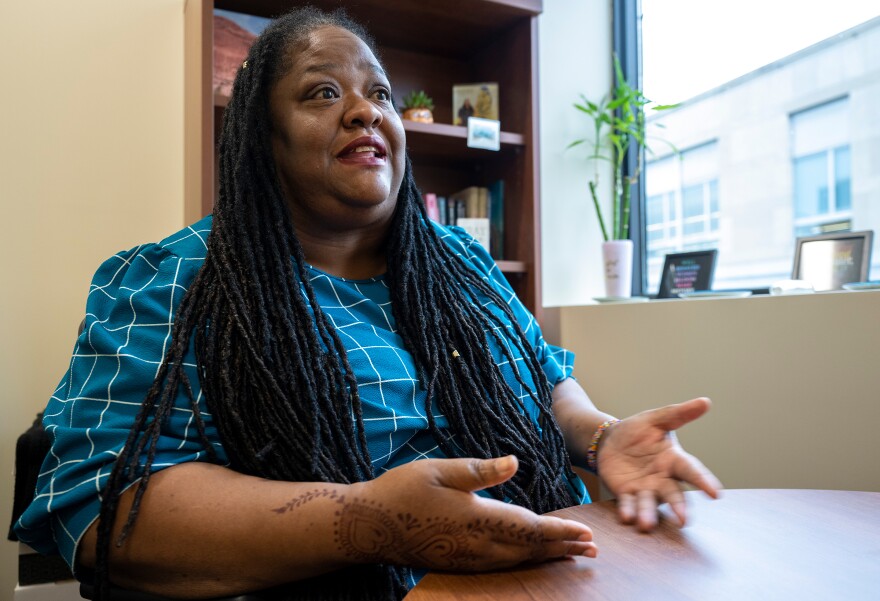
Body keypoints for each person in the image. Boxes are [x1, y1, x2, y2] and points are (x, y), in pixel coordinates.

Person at [15, 7, 721, 601]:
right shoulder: (172, 277)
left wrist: (600, 435)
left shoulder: (461, 262)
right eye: (322, 93)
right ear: (264, 140)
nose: (365, 111)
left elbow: (543, 376)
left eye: (380, 94)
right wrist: (366, 522)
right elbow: (105, 509)